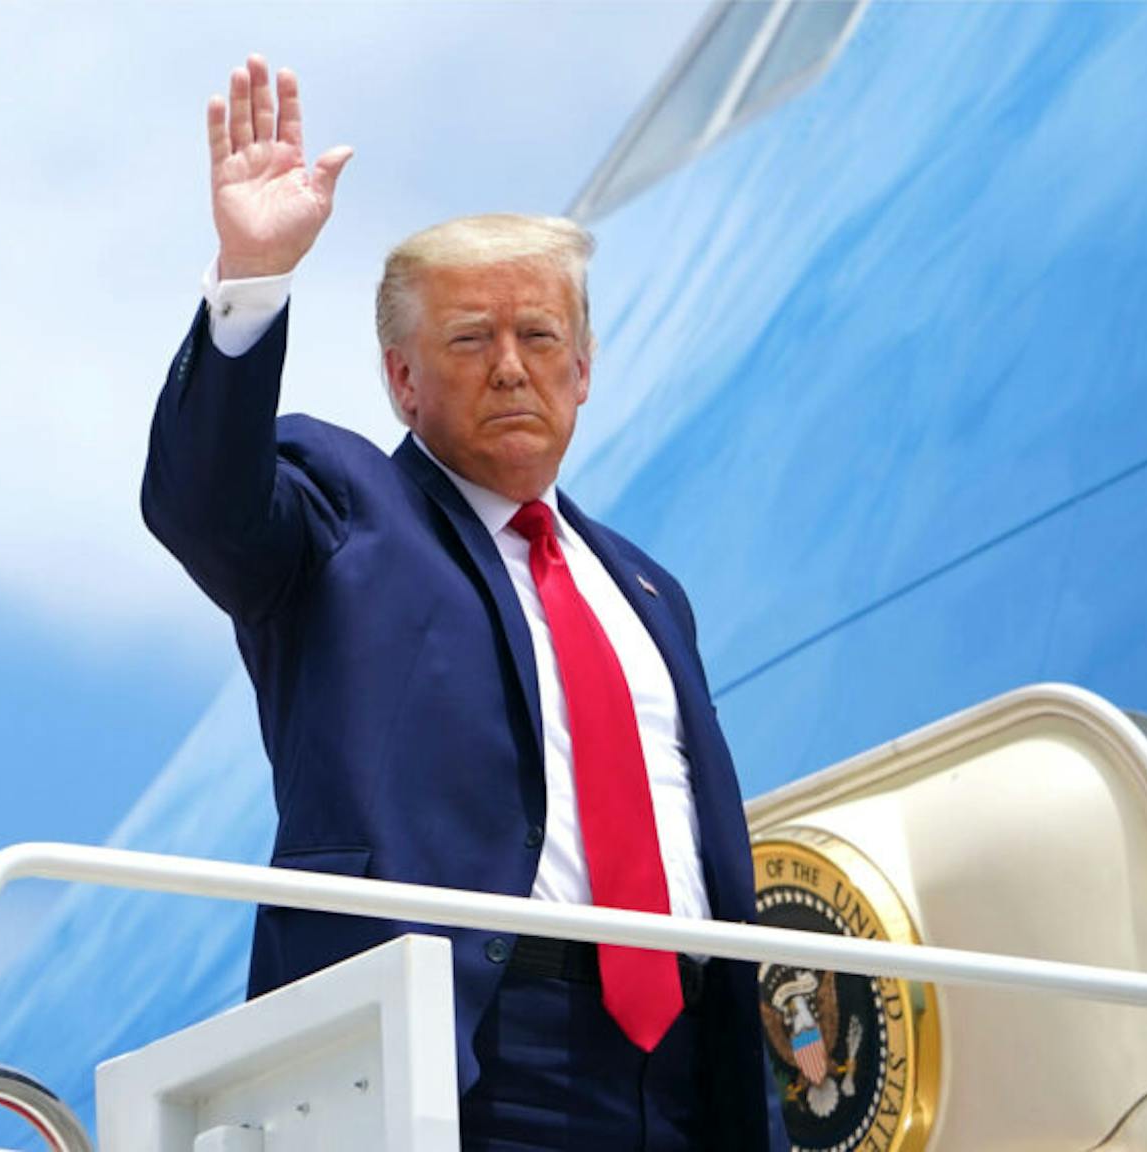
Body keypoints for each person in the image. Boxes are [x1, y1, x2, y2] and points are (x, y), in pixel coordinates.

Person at [143, 55, 780, 1151]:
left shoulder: (643, 588)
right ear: (401, 379)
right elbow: (202, 506)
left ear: (583, 371)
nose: (508, 369)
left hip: (684, 1057)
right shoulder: (347, 504)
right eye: (466, 341)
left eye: (538, 338)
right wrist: (250, 276)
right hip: (464, 1032)